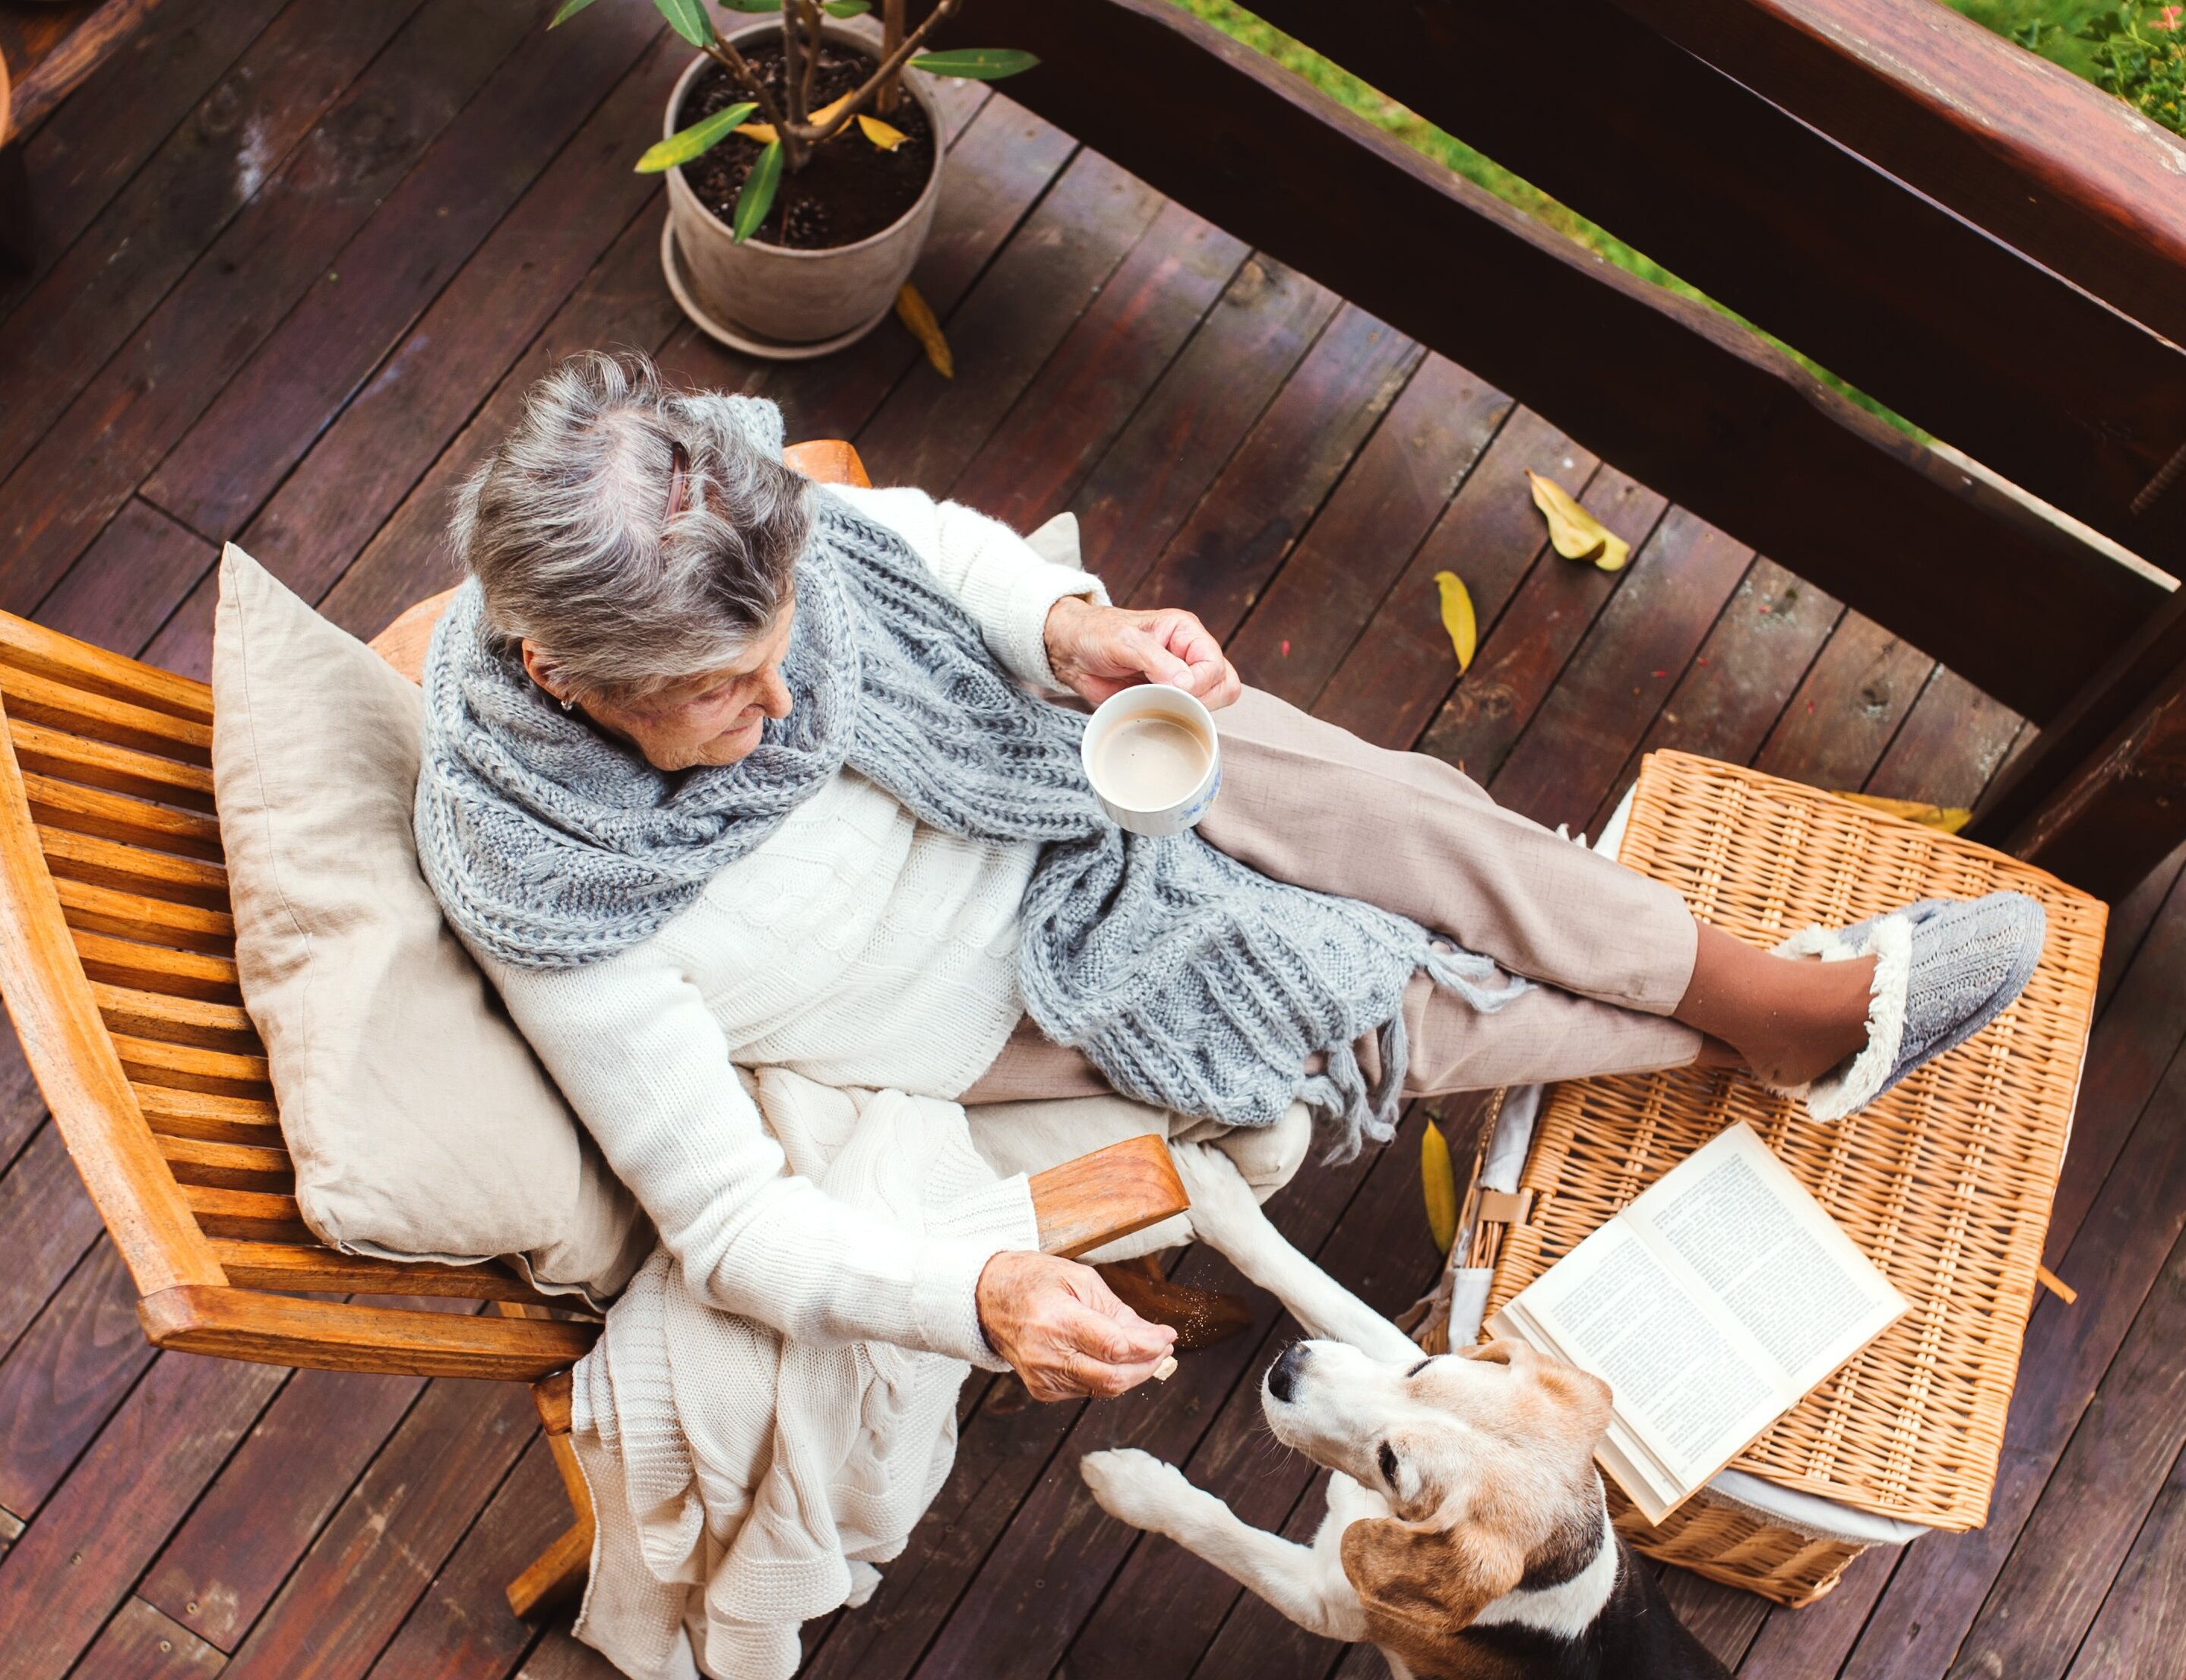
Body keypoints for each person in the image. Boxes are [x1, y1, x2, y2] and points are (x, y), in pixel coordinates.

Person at [416, 353, 2044, 1407]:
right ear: (560, 675)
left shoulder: (734, 524)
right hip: (994, 994)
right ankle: (1752, 1027)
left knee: (1369, 801)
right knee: (1343, 988)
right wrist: (968, 1295)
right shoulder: (555, 890)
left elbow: (914, 538)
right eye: (721, 697)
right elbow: (721, 1217)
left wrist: (1070, 627)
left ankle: (1759, 994)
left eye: (783, 657)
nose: (782, 714)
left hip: (1020, 749)